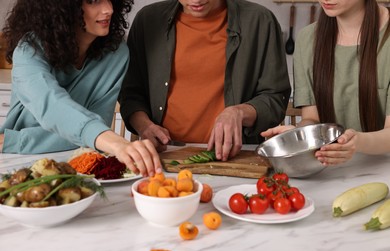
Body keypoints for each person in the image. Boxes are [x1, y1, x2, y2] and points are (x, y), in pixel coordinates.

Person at [0, 0, 162, 176]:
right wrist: (114, 143)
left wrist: (15, 140)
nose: (109, 9)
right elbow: (53, 107)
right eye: (93, 1)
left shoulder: (116, 54)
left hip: (78, 165)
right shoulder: (29, 50)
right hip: (17, 164)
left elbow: (94, 130)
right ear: (64, 7)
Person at [118, 0, 291, 161]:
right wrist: (145, 126)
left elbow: (275, 98)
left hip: (236, 157)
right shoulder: (147, 21)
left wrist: (239, 112)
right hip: (164, 157)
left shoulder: (260, 21)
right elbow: (130, 93)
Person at [262, 0, 390, 166]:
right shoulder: (307, 39)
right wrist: (299, 134)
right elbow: (312, 119)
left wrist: (357, 142)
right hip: (329, 170)